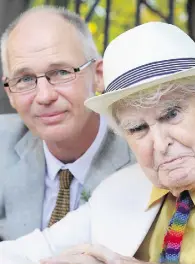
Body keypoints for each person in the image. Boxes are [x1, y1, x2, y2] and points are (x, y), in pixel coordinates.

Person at [0, 22, 195, 264]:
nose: (159, 144)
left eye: (171, 114)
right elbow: (9, 256)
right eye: (137, 128)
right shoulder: (119, 189)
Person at [0, 6, 136, 241]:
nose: (44, 96)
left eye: (61, 72)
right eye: (25, 79)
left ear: (98, 75)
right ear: (10, 92)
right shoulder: (4, 143)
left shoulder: (143, 155)